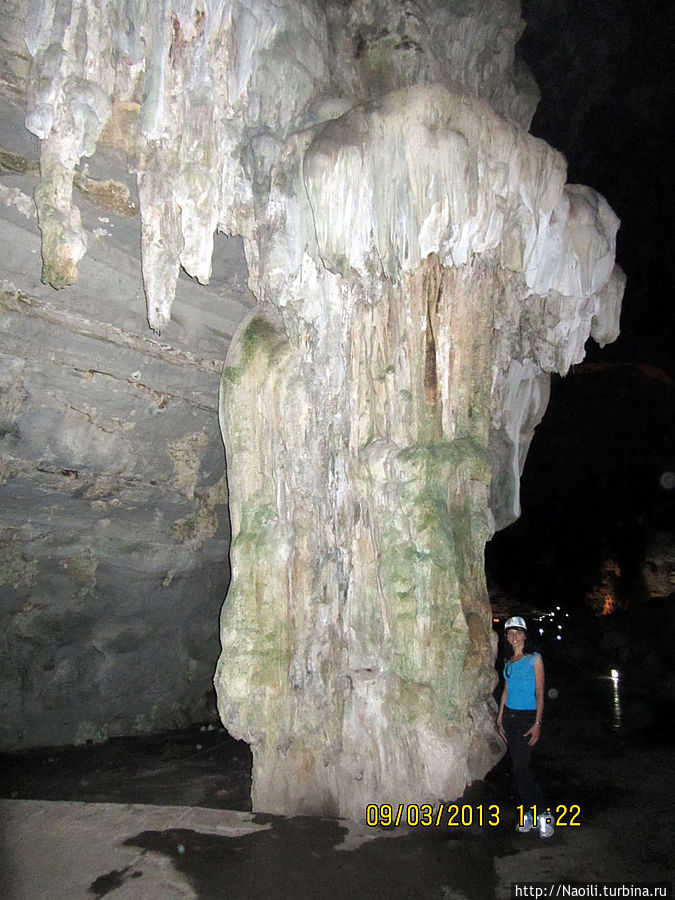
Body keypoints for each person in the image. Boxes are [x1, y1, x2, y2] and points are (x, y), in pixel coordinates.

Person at [497, 615, 554, 838]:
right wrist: (500, 717)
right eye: (510, 633)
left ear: (524, 635)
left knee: (523, 768)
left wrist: (537, 723)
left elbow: (540, 693)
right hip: (510, 717)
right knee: (518, 768)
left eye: (517, 632)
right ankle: (529, 814)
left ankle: (542, 814)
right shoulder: (508, 661)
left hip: (526, 717)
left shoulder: (534, 659)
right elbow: (506, 690)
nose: (514, 637)